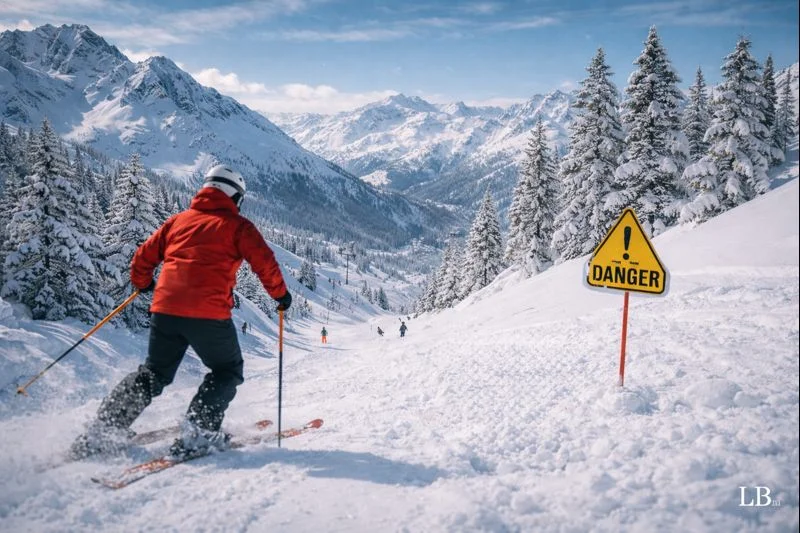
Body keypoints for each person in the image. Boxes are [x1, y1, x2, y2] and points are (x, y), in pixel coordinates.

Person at [69, 164, 292, 459]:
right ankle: (198, 433)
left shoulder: (177, 221)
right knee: (226, 370)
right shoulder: (238, 227)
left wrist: (143, 283)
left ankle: (104, 430)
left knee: (154, 372)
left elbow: (142, 257)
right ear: (234, 196)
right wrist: (281, 296)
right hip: (208, 313)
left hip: (165, 310)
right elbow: (265, 264)